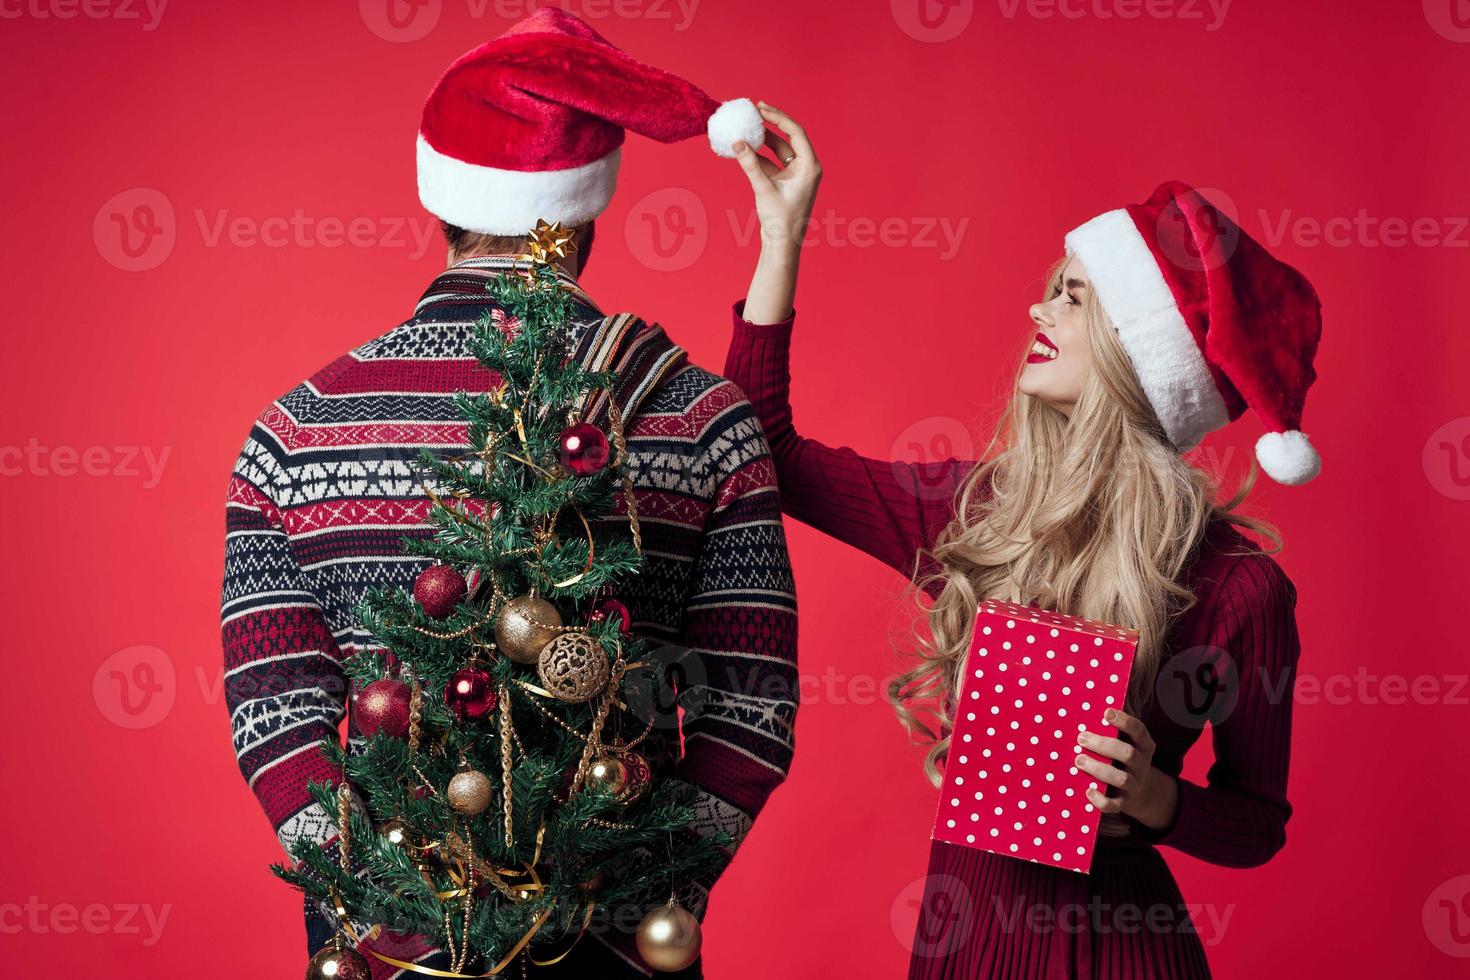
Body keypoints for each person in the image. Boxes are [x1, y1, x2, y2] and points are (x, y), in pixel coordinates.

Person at [220, 10, 797, 976]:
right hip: (618, 929)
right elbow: (755, 699)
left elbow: (270, 703)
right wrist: (651, 896)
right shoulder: (704, 418)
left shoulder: (293, 431)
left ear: (437, 202)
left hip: (381, 941)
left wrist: (379, 905)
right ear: (583, 215)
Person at [722, 105, 1318, 978]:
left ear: (1136, 351)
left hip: (1120, 954)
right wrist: (783, 234)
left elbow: (1258, 823)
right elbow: (760, 448)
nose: (1038, 308)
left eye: (1073, 296)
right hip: (962, 949)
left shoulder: (1239, 587)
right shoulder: (979, 511)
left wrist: (1155, 798)